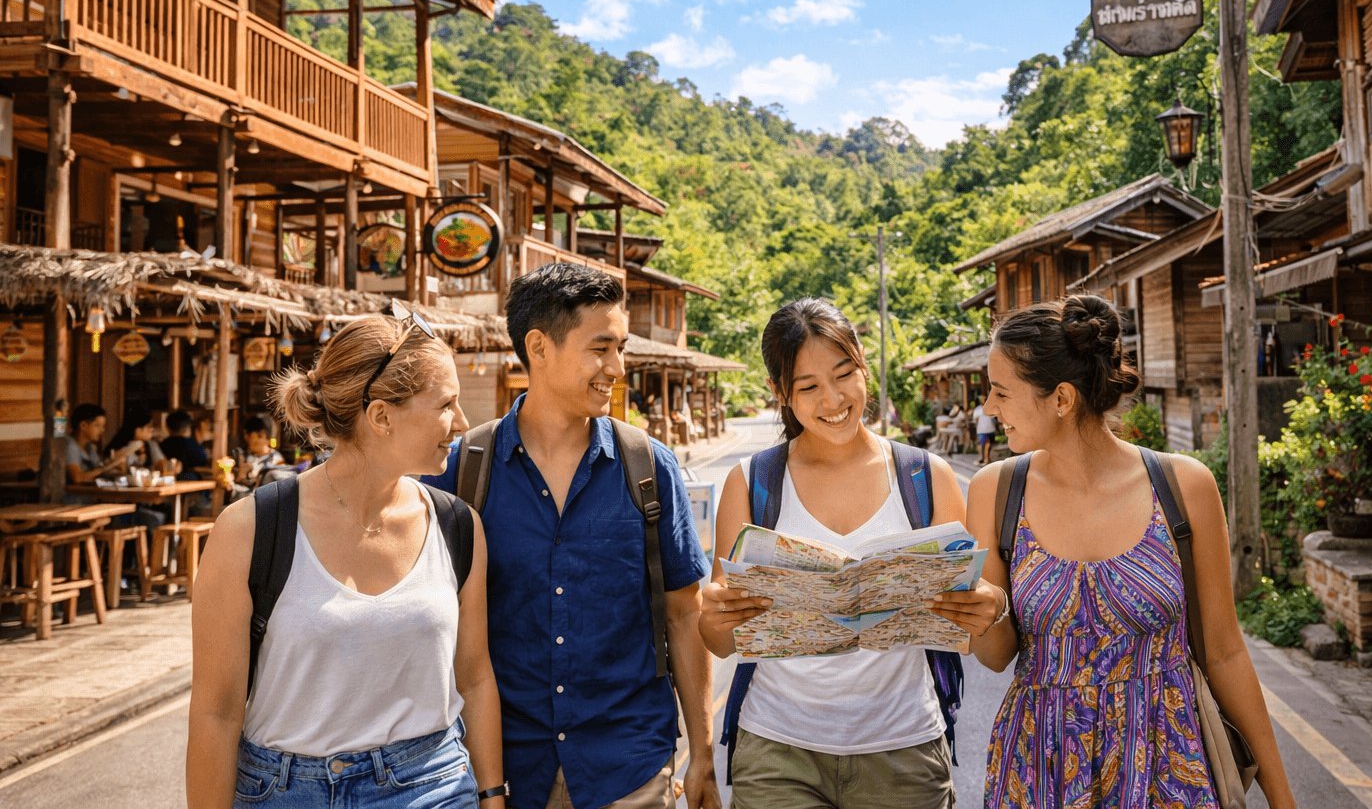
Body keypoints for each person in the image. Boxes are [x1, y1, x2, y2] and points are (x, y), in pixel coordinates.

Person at [966, 295, 1298, 809]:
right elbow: (996, 656)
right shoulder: (996, 490)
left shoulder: (1183, 486)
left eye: (1001, 393)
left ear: (1060, 398)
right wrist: (985, 613)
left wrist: (1283, 801)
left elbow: (1226, 651)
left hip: (1168, 764)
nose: (989, 409)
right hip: (1041, 766)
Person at [423, 263, 718, 809]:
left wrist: (702, 752)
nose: (618, 367)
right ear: (538, 347)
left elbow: (683, 612)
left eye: (621, 348)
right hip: (501, 769)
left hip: (629, 765)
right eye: (600, 348)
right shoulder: (463, 473)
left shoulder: (649, 468)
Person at [699, 298, 1008, 809]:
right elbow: (723, 642)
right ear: (780, 393)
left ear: (863, 362)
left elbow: (988, 648)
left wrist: (989, 607)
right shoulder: (752, 483)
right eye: (808, 387)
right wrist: (715, 615)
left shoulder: (926, 478)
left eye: (844, 374)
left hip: (904, 750)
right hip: (777, 752)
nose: (834, 398)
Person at [186, 315, 504, 809]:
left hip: (432, 787)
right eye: (446, 404)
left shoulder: (457, 526)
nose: (462, 422)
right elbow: (216, 712)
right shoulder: (247, 531)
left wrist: (492, 798)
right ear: (381, 417)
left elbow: (475, 676)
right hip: (283, 793)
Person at [161, 410, 210, 482]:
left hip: (168, 479)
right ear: (188, 428)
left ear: (167, 427)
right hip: (190, 480)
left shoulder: (163, 444)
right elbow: (204, 461)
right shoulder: (192, 443)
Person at [972, 400, 997, 464]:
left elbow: (975, 420)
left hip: (982, 430)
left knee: (982, 444)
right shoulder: (991, 408)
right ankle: (986, 459)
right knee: (987, 444)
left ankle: (982, 458)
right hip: (989, 429)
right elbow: (995, 418)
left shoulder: (978, 409)